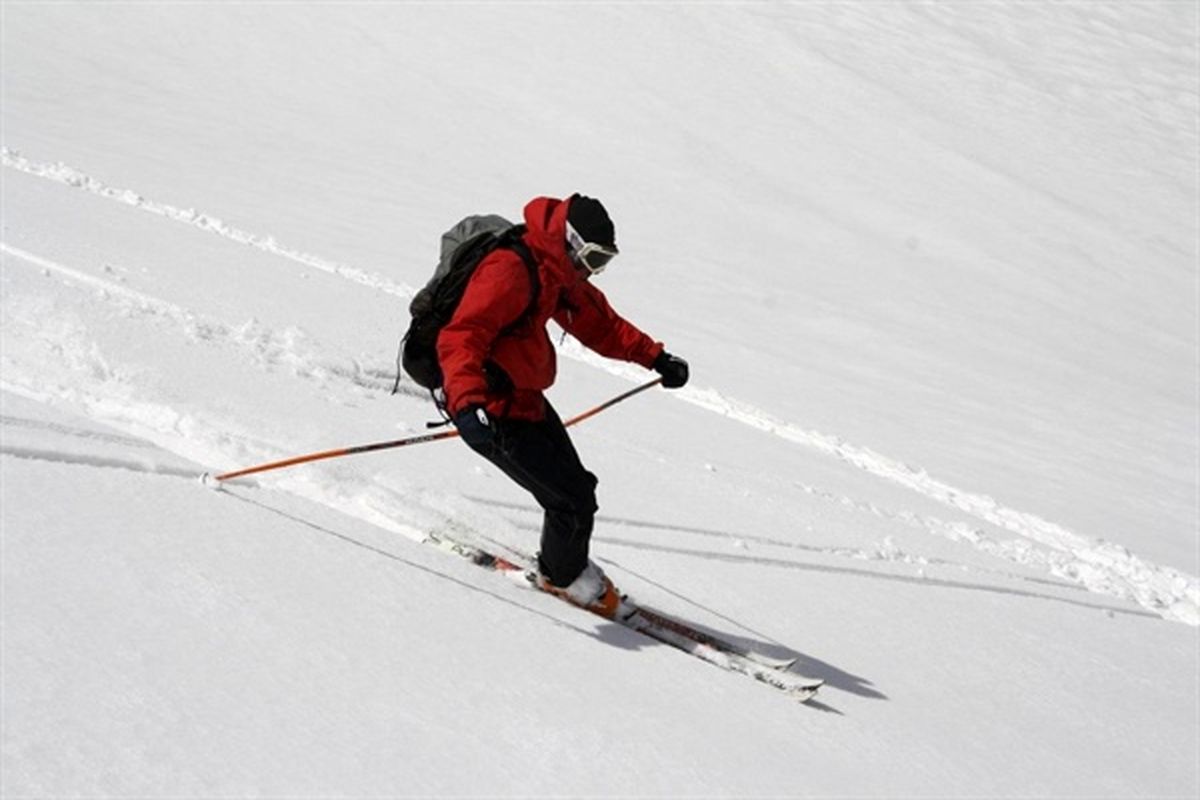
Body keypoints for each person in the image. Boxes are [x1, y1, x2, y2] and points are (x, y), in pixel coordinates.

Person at [437, 193, 689, 618]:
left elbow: (599, 324)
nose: (594, 269)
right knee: (570, 501)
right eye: (592, 257)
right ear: (569, 240)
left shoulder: (556, 272)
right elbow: (462, 335)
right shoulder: (512, 270)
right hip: (489, 406)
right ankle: (565, 578)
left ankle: (565, 568)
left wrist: (655, 357)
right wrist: (466, 404)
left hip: (524, 399)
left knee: (578, 491)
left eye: (604, 261)